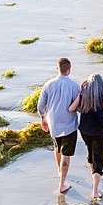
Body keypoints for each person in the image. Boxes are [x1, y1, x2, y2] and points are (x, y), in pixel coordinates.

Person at [69, 73, 103, 201]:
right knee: (99, 158)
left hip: (84, 130)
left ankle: (94, 173)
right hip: (99, 132)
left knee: (91, 153)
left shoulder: (83, 96)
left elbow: (71, 108)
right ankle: (95, 191)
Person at [37, 58, 81, 194]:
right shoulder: (74, 85)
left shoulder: (48, 84)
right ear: (69, 69)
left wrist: (43, 118)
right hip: (69, 125)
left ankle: (59, 171)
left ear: (58, 69)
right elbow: (78, 107)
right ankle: (62, 183)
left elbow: (40, 106)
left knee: (58, 149)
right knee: (66, 154)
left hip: (54, 123)